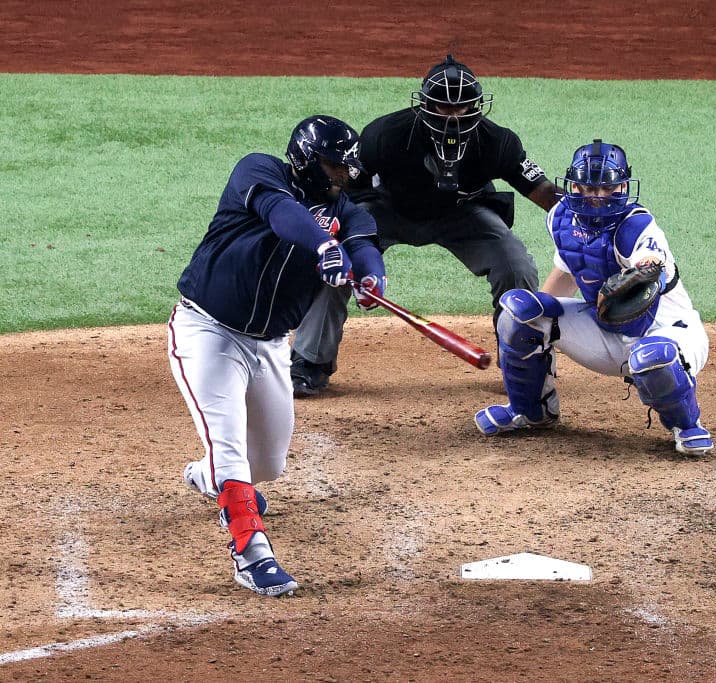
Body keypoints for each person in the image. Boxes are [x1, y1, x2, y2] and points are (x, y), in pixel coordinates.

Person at [168, 115, 385, 596]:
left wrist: (371, 277)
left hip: (269, 345)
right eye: (334, 167)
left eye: (347, 168)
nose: (343, 176)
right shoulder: (259, 171)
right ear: (308, 161)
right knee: (228, 445)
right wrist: (323, 244)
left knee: (264, 464)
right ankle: (252, 554)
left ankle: (212, 477)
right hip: (208, 331)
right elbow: (283, 216)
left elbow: (365, 244)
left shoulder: (347, 209)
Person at [290, 54, 558, 397]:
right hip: (387, 209)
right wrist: (333, 236)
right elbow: (346, 185)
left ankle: (521, 362)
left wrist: (594, 207)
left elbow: (546, 195)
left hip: (463, 213)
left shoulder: (498, 142)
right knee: (338, 263)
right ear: (425, 105)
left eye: (462, 107)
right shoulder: (385, 135)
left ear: (477, 107)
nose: (453, 116)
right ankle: (310, 362)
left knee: (515, 263)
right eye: (443, 107)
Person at [473, 139, 714, 455]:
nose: (597, 197)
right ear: (574, 186)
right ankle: (530, 411)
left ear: (623, 186)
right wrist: (529, 334)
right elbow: (567, 273)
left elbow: (651, 263)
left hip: (667, 333)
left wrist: (640, 270)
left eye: (606, 189)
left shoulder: (636, 226)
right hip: (603, 333)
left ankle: (687, 425)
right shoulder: (561, 219)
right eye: (589, 188)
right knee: (519, 311)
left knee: (652, 358)